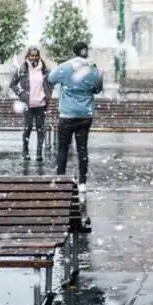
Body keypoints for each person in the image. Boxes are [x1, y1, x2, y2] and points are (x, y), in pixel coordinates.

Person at [48, 41, 104, 193]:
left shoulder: (65, 67)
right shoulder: (92, 69)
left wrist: (65, 81)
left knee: (63, 148)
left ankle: (60, 177)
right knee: (82, 148)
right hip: (85, 115)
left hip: (67, 115)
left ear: (74, 52)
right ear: (85, 52)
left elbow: (51, 78)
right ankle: (83, 182)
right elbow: (98, 89)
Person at [9, 46, 52, 161]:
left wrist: (48, 95)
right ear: (28, 56)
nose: (34, 58)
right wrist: (21, 93)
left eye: (36, 55)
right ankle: (25, 151)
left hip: (41, 104)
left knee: (40, 128)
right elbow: (12, 84)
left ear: (39, 56)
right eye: (31, 55)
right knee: (27, 128)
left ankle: (39, 153)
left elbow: (50, 83)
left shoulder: (45, 69)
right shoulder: (22, 69)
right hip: (28, 104)